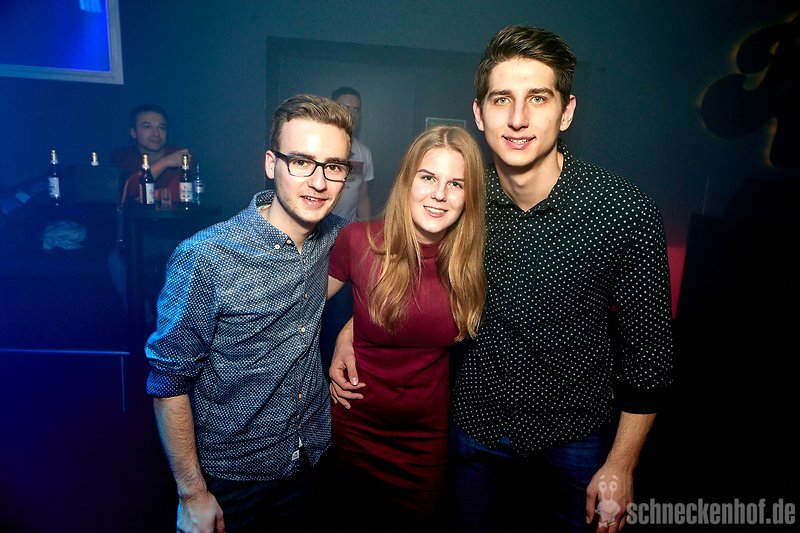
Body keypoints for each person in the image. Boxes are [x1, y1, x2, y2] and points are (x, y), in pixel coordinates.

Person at [329, 25, 675, 533]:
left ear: (567, 111)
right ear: (479, 113)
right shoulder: (458, 199)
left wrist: (622, 465)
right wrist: (353, 328)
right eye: (501, 99)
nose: (517, 118)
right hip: (474, 431)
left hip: (574, 439)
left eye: (538, 98)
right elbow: (404, 271)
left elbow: (651, 355)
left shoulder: (622, 211)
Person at [145, 93, 353, 532]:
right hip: (233, 476)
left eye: (333, 166)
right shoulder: (206, 256)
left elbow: (389, 266)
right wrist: (192, 493)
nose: (318, 182)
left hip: (312, 458)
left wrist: (348, 330)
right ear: (271, 164)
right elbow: (168, 381)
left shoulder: (339, 238)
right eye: (301, 162)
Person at [326, 125, 486, 528]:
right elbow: (296, 312)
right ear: (406, 180)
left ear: (469, 196)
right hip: (356, 427)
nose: (439, 194)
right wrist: (343, 335)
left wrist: (350, 326)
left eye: (456, 184)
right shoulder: (358, 241)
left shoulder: (473, 261)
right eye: (428, 177)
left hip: (424, 441)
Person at [111, 103, 193, 206]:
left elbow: (182, 195)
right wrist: (165, 162)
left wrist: (147, 195)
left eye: (161, 127)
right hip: (136, 216)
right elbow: (126, 192)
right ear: (133, 133)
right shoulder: (124, 156)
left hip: (172, 216)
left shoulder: (180, 155)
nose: (156, 134)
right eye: (147, 126)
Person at [330, 86, 375, 221]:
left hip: (348, 228)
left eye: (356, 109)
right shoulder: (317, 148)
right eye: (346, 108)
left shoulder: (364, 153)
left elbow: (363, 198)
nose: (352, 114)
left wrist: (366, 229)